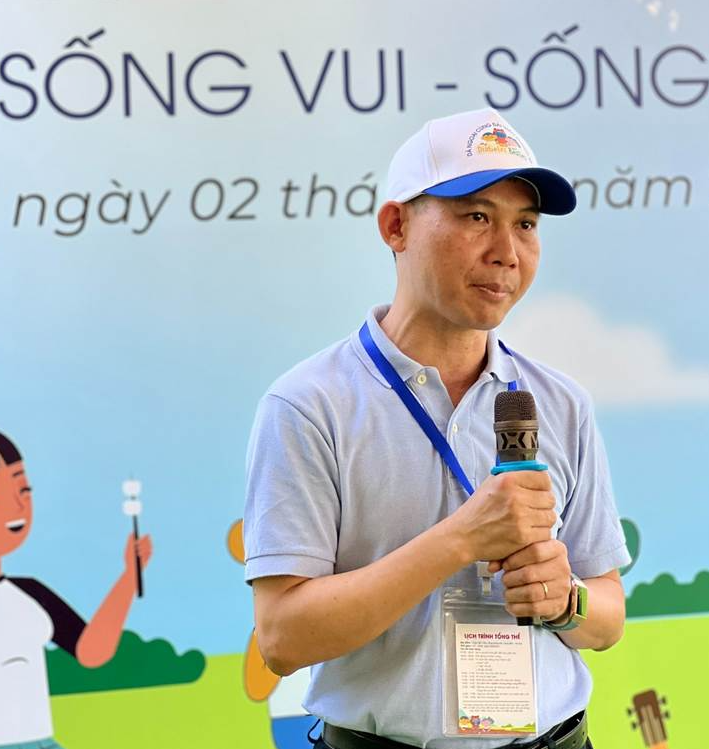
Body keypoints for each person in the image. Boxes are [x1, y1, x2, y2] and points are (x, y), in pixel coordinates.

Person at [243, 108, 630, 749]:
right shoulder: (308, 406)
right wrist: (461, 539)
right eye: (476, 216)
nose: (506, 252)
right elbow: (282, 639)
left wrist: (567, 600)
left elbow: (608, 615)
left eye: (526, 224)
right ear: (396, 226)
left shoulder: (562, 403)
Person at [0, 428, 152, 749]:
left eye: (23, 490)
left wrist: (129, 577)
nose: (18, 507)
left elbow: (90, 651)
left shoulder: (30, 593)